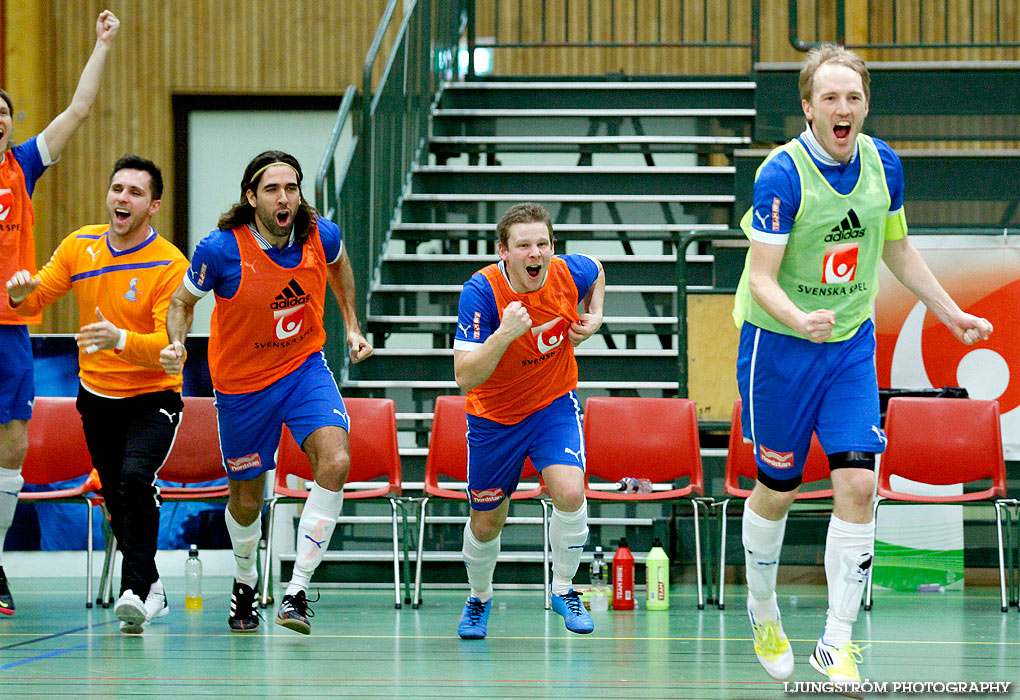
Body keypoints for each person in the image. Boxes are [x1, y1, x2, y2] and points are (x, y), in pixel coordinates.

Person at [732, 44, 993, 687]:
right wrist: (798, 319)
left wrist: (951, 312)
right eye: (829, 98)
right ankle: (763, 609)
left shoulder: (883, 165)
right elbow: (761, 278)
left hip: (849, 343)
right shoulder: (781, 176)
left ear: (866, 104)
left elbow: (898, 252)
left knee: (857, 484)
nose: (842, 109)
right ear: (807, 107)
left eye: (853, 97)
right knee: (779, 488)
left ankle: (836, 640)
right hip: (779, 346)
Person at [160, 149, 372, 635]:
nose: (285, 197)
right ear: (252, 197)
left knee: (336, 460)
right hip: (241, 387)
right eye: (273, 189)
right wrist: (175, 342)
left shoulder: (322, 234)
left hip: (303, 369)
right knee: (247, 502)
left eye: (292, 188)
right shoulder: (220, 249)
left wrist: (352, 325)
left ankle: (296, 590)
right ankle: (245, 579)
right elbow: (181, 302)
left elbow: (340, 269)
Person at [6, 155, 187, 634]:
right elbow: (36, 297)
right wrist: (21, 291)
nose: (122, 199)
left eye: (134, 193)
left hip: (153, 399)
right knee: (116, 497)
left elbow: (169, 350)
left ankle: (134, 590)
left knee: (133, 480)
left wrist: (120, 341)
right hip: (97, 397)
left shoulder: (170, 265)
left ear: (153, 206)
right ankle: (153, 589)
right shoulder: (80, 246)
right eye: (117, 189)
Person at [0, 9, 120, 616]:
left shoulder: (20, 166)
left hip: (9, 325)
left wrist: (101, 45)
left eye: (3, 114)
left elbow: (76, 111)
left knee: (13, 443)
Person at [452, 202, 605, 639]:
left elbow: (596, 270)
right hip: (494, 417)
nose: (535, 253)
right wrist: (504, 334)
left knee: (571, 492)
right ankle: (479, 598)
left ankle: (563, 588)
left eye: (543, 244)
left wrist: (595, 317)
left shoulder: (565, 272)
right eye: (523, 245)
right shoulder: (480, 292)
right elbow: (464, 376)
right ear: (504, 251)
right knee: (485, 522)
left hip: (552, 404)